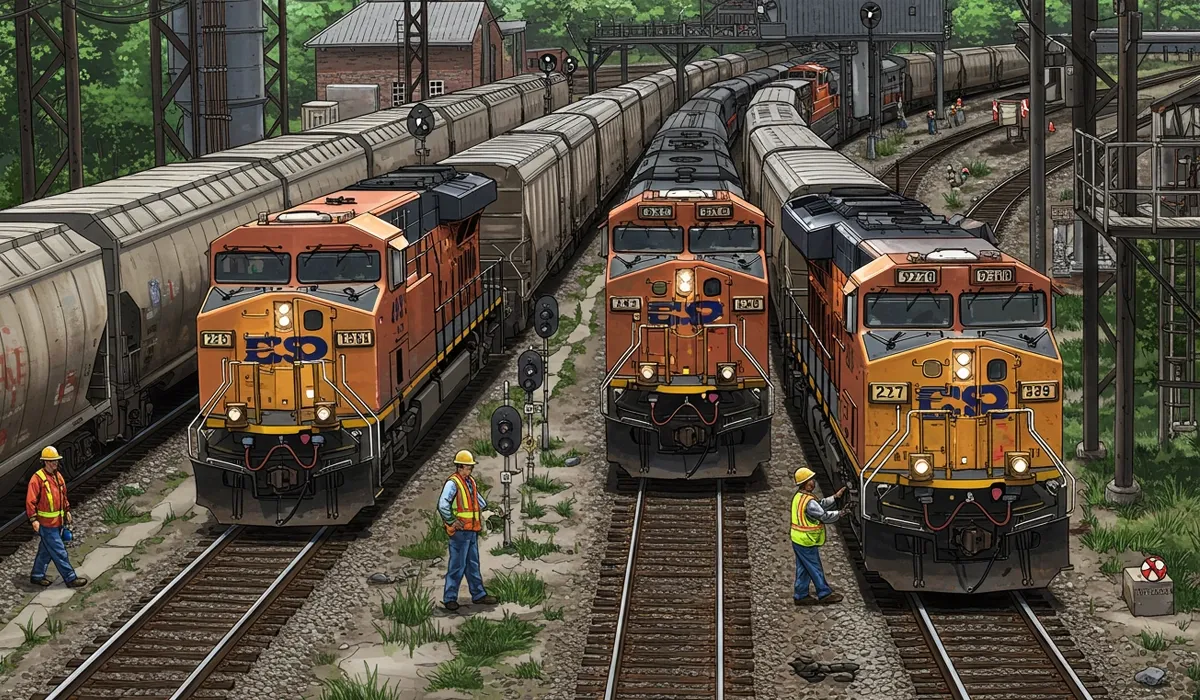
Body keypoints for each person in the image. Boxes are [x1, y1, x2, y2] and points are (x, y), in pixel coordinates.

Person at [438, 450, 498, 611]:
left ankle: (478, 595)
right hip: (459, 531)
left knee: (472, 564)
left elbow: (479, 501)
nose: (469, 470)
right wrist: (451, 520)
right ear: (459, 467)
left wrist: (492, 510)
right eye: (467, 467)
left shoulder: (470, 482)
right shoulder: (453, 483)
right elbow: (443, 504)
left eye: (470, 468)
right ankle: (450, 598)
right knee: (457, 565)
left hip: (471, 530)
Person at [27, 446, 87, 588]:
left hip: (58, 522)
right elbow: (30, 501)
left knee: (46, 550)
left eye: (56, 461)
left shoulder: (57, 476)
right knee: (59, 551)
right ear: (45, 462)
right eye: (52, 461)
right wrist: (33, 520)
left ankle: (37, 575)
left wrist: (67, 511)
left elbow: (62, 496)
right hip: (46, 524)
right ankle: (70, 578)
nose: (55, 464)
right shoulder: (37, 479)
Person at [791, 467, 845, 605]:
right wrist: (841, 513)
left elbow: (820, 505)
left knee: (803, 567)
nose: (813, 482)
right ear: (805, 483)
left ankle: (800, 594)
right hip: (806, 540)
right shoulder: (809, 502)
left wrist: (835, 497)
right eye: (810, 480)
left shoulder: (800, 497)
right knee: (814, 567)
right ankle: (824, 593)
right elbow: (824, 516)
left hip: (798, 539)